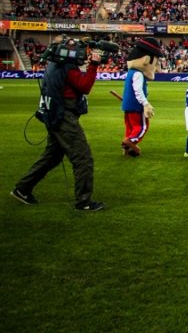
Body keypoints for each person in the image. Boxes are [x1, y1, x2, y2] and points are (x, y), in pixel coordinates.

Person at [11, 38, 105, 211]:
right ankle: (84, 202)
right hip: (64, 117)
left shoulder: (54, 65)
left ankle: (22, 189)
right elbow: (85, 86)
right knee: (83, 158)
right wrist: (93, 65)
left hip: (52, 114)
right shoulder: (67, 67)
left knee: (52, 156)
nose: (83, 53)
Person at [120, 37, 165, 156]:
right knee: (142, 127)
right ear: (146, 59)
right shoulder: (139, 74)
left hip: (127, 106)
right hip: (136, 106)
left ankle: (127, 148)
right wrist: (145, 104)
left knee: (129, 127)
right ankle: (130, 141)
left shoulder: (130, 72)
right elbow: (138, 91)